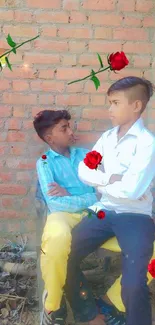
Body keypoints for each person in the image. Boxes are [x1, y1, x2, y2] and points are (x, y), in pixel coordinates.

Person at [63, 76, 155, 325]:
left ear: (136, 106)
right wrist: (111, 178)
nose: (109, 109)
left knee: (134, 284)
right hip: (103, 211)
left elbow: (133, 190)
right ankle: (89, 313)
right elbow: (84, 169)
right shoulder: (106, 138)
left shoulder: (147, 144)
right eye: (109, 103)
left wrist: (100, 180)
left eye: (115, 103)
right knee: (63, 255)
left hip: (136, 217)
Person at [33, 110, 101, 325]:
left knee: (146, 246)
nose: (71, 131)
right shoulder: (44, 162)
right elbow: (54, 203)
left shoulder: (87, 156)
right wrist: (89, 197)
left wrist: (71, 194)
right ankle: (53, 305)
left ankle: (115, 303)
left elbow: (104, 193)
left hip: (95, 214)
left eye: (69, 126)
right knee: (56, 239)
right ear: (49, 137)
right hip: (61, 215)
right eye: (64, 128)